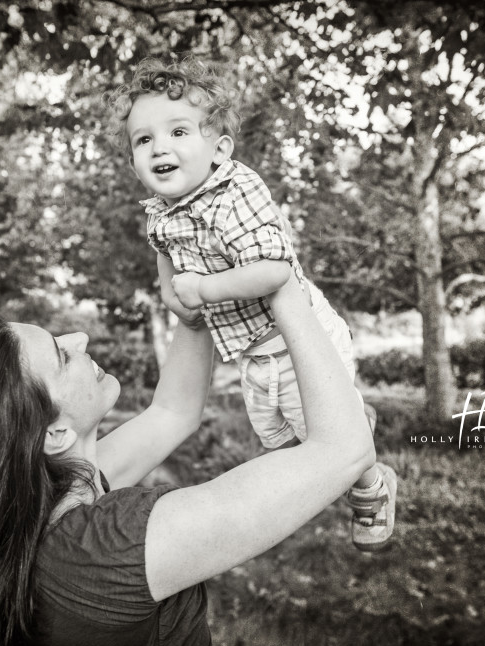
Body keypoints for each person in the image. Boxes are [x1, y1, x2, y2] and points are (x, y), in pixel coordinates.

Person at [0, 274, 376, 646]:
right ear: (52, 433)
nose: (79, 336)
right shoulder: (116, 545)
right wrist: (285, 290)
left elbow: (173, 413)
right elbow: (342, 449)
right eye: (61, 354)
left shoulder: (40, 500)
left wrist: (194, 313)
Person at [107, 55, 396, 551]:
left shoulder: (235, 190)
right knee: (278, 443)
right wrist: (169, 291)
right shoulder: (160, 212)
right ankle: (351, 418)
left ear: (220, 149)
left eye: (178, 132)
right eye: (144, 140)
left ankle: (372, 484)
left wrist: (204, 290)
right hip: (252, 352)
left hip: (298, 340)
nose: (159, 148)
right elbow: (165, 257)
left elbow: (274, 271)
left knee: (329, 447)